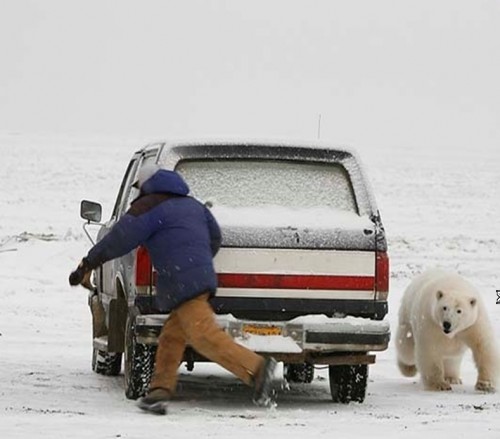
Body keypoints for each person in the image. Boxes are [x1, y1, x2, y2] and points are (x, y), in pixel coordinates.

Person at [69, 164, 277, 414]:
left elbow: (118, 239)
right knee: (171, 337)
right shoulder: (194, 205)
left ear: (146, 185)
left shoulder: (149, 207)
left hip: (182, 283)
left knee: (204, 336)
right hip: (197, 279)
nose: (138, 192)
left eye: (139, 187)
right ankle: (159, 391)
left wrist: (88, 264)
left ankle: (257, 369)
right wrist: (195, 261)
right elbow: (214, 237)